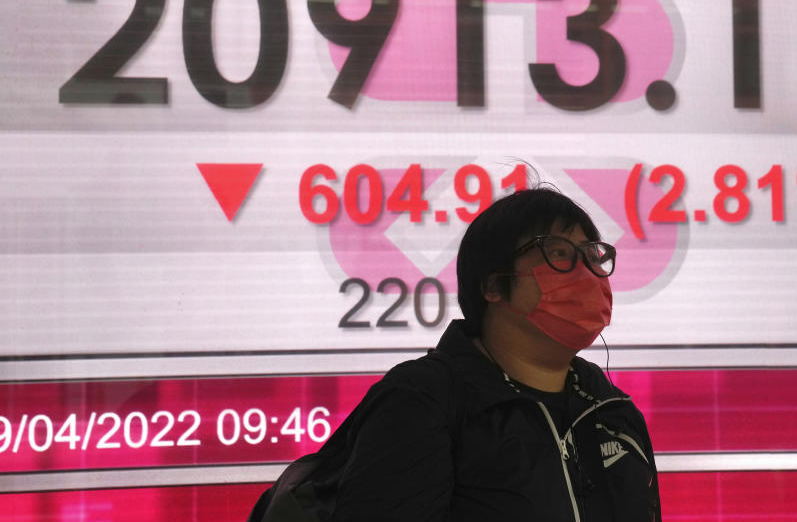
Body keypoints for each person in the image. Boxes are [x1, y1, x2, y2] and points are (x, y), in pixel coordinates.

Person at [252, 187, 661, 522]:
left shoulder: (612, 409)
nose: (586, 272)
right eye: (558, 252)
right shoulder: (422, 401)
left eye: (593, 255)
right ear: (494, 286)